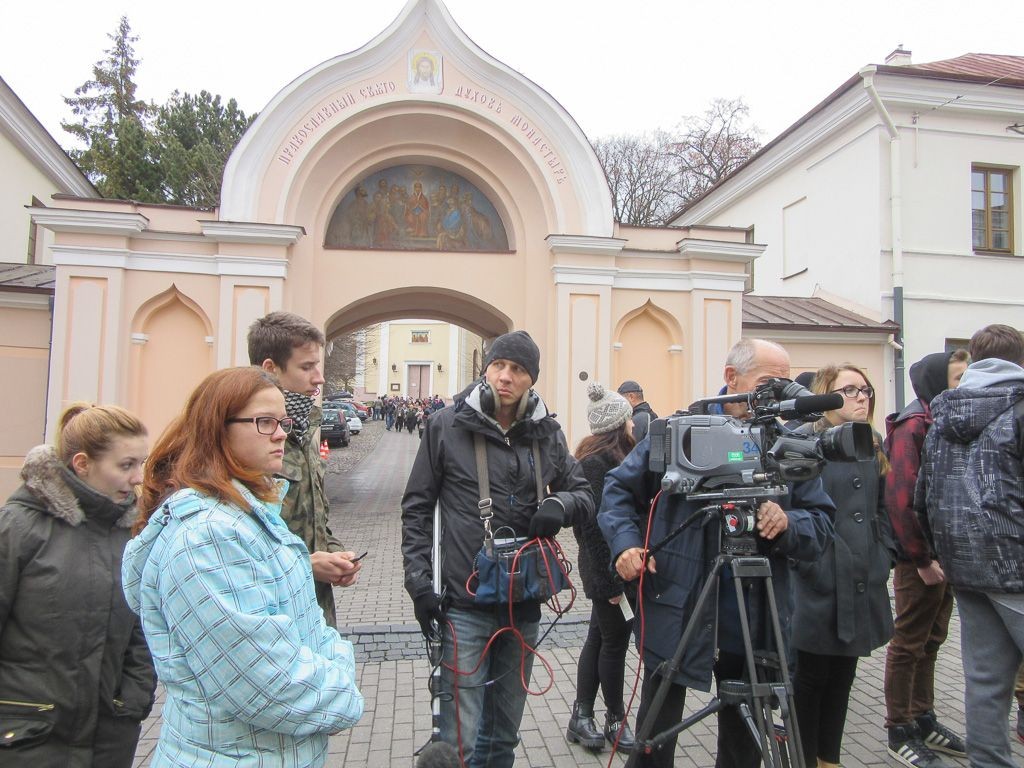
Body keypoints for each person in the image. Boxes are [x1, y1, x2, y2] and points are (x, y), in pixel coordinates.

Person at [599, 338, 835, 768]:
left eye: (784, 384)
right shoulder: (676, 429)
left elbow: (820, 523)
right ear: (731, 377)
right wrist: (626, 544)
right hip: (678, 607)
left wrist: (788, 523)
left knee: (744, 747)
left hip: (757, 615)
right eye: (768, 382)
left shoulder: (785, 443)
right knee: (654, 738)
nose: (777, 394)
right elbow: (617, 488)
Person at [122, 367, 364, 766]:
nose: (281, 434)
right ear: (218, 428)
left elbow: (310, 631)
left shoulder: (250, 514)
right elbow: (267, 685)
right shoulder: (208, 538)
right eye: (264, 422)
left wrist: (328, 656)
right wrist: (344, 688)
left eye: (283, 421)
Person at [402, 330, 593, 767]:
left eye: (518, 369)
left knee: (503, 738)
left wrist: (560, 504)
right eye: (499, 366)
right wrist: (419, 583)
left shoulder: (546, 433)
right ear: (486, 369)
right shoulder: (445, 426)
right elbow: (416, 509)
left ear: (531, 380)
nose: (506, 377)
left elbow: (584, 494)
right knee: (459, 743)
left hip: (523, 606)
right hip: (463, 607)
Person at [0, 403, 155, 768]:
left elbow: (142, 627)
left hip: (108, 739)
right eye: (126, 465)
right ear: (82, 464)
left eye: (141, 464)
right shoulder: (17, 529)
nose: (137, 478)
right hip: (27, 740)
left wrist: (131, 701)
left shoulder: (130, 533)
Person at [916, 324, 1024, 768]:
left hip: (963, 567)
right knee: (988, 680)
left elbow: (924, 492)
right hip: (1015, 565)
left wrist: (935, 551)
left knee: (985, 680)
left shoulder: (943, 414)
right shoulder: (1018, 407)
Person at [790, 364, 897, 768]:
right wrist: (811, 564)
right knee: (810, 681)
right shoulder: (803, 442)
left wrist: (883, 554)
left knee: (843, 679)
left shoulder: (873, 441)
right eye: (849, 390)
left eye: (866, 389)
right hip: (816, 583)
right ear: (825, 396)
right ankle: (802, 759)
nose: (861, 397)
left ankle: (828, 759)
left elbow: (884, 507)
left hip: (860, 580)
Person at [883, 349, 969, 768]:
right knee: (909, 642)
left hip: (944, 554)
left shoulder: (942, 421)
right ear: (936, 382)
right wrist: (920, 557)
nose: (964, 384)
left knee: (932, 640)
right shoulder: (912, 426)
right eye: (957, 377)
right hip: (920, 558)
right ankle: (899, 727)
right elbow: (901, 499)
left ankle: (923, 716)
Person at [248, 311, 361, 628]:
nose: (319, 378)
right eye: (306, 367)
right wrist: (304, 565)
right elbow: (235, 549)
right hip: (267, 618)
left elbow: (315, 517)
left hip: (313, 612)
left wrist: (335, 555)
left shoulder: (308, 426)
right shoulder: (242, 438)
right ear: (270, 368)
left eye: (318, 366)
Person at [565, 383, 637, 753]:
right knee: (614, 644)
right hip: (605, 571)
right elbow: (589, 529)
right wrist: (612, 583)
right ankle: (615, 718)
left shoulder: (621, 456)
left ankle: (581, 715)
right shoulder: (594, 463)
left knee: (598, 639)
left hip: (611, 569)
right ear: (620, 422)